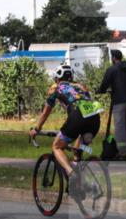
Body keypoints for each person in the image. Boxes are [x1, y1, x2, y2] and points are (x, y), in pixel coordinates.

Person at [28, 62, 104, 195]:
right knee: (77, 151)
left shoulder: (56, 88)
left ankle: (72, 175)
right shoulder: (81, 86)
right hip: (94, 116)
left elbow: (46, 112)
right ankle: (84, 185)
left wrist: (36, 129)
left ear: (57, 79)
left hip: (78, 116)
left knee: (57, 147)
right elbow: (83, 104)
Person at [97, 49, 126, 161]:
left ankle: (122, 152)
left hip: (119, 101)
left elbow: (104, 84)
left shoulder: (112, 69)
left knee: (120, 127)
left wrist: (100, 90)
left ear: (114, 58)